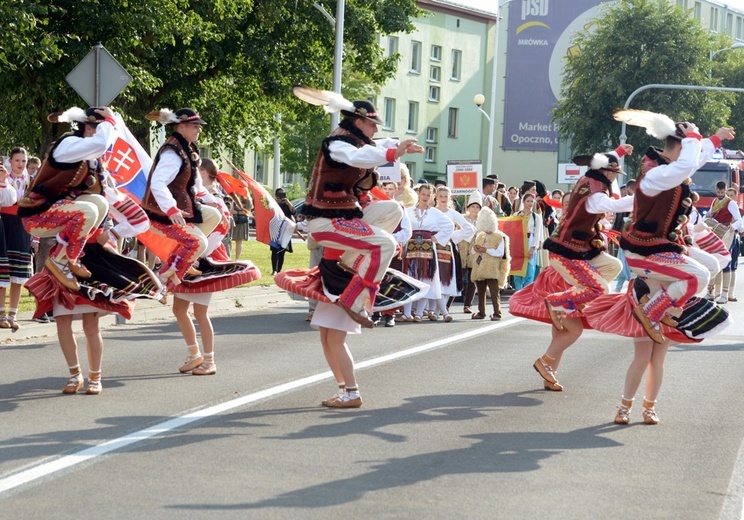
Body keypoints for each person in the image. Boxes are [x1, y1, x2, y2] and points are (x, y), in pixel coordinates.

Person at [302, 99, 423, 327]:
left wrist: (398, 146)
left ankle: (348, 263)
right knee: (385, 244)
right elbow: (358, 156)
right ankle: (355, 300)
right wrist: (392, 152)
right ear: (358, 121)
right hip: (327, 222)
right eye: (372, 123)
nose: (376, 128)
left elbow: (373, 145)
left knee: (393, 209)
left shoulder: (354, 139)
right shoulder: (338, 144)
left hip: (343, 217)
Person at [620, 119, 734, 344]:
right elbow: (688, 164)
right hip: (643, 251)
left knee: (712, 265)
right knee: (699, 275)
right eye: (690, 148)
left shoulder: (668, 170)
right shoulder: (658, 173)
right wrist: (694, 135)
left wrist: (715, 138)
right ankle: (651, 308)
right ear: (682, 149)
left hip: (660, 245)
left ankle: (664, 301)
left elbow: (692, 163)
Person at [533, 146, 634, 391]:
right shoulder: (593, 193)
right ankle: (547, 361)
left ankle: (548, 369)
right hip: (567, 265)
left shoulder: (589, 182)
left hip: (579, 266)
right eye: (612, 173)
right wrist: (649, 194)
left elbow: (603, 159)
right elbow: (613, 204)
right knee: (576, 323)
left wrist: (619, 150)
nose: (614, 177)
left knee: (613, 266)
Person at [19, 107, 114, 294]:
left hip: (60, 210)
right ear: (88, 128)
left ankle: (65, 259)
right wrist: (110, 120)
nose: (106, 133)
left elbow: (100, 188)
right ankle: (60, 260)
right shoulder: (69, 144)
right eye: (101, 128)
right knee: (89, 210)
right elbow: (101, 143)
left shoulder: (88, 157)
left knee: (100, 204)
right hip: (38, 214)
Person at [141, 108, 221, 285]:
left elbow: (195, 184)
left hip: (178, 210)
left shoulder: (186, 149)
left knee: (214, 215)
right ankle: (160, 281)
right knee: (198, 242)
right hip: (160, 215)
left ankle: (182, 258)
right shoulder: (173, 153)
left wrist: (213, 200)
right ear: (181, 127)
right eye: (195, 126)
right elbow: (157, 183)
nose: (199, 130)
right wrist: (170, 208)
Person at [401, 183, 454, 321]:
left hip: (428, 249)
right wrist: (404, 240)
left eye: (428, 195)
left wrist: (436, 238)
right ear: (418, 194)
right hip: (411, 247)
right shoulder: (408, 210)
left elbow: (449, 225)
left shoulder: (435, 212)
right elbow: (403, 225)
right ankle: (407, 313)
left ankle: (418, 313)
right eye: (423, 194)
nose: (425, 197)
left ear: (432, 197)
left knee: (426, 279)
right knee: (410, 278)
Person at [431, 185, 474, 321]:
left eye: (445, 196)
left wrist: (452, 236)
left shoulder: (453, 214)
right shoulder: (431, 211)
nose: (443, 199)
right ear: (436, 197)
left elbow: (470, 229)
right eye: (440, 196)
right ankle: (434, 311)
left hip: (447, 250)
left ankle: (438, 312)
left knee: (445, 280)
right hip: (431, 247)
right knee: (433, 279)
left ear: (449, 198)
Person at [0, 148, 30, 330]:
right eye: (17, 160)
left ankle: (13, 314)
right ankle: (1, 314)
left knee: (18, 274)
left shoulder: (30, 180)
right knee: (3, 270)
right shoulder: (4, 178)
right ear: (10, 161)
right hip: (4, 224)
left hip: (22, 225)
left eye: (23, 161)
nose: (20, 164)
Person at [469, 206, 510, 320]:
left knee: (494, 292)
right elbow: (472, 251)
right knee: (481, 292)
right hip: (480, 268)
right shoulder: (480, 235)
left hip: (492, 268)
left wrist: (486, 250)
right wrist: (476, 249)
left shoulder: (500, 236)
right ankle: (481, 312)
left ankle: (497, 313)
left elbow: (500, 253)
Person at [704, 181, 742, 303]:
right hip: (715, 234)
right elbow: (709, 216)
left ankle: (725, 294)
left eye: (722, 192)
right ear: (716, 190)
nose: (720, 193)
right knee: (714, 262)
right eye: (718, 191)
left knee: (725, 262)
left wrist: (733, 226)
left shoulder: (731, 203)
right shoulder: (714, 201)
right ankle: (711, 292)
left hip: (726, 234)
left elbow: (739, 220)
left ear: (725, 190)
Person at [511, 193, 543, 290]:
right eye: (528, 201)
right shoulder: (516, 215)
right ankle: (517, 293)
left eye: (531, 201)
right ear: (523, 202)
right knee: (517, 272)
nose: (530, 203)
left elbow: (538, 233)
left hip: (530, 241)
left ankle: (526, 294)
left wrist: (533, 248)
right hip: (518, 243)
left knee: (530, 271)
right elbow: (512, 231)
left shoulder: (536, 217)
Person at [460, 190, 482, 313]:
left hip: (475, 252)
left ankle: (467, 304)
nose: (474, 209)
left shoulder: (482, 221)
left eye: (477, 207)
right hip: (462, 251)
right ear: (468, 207)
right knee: (459, 278)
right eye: (472, 206)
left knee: (472, 280)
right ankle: (446, 305)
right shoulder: (462, 219)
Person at [270, 187, 295, 275]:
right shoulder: (274, 205)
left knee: (282, 251)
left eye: (283, 194)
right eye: (279, 194)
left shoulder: (286, 205)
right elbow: (269, 213)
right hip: (276, 230)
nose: (281, 196)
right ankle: (274, 270)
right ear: (276, 195)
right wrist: (275, 203)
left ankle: (279, 270)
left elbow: (293, 211)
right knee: (274, 250)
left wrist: (288, 203)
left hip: (285, 230)